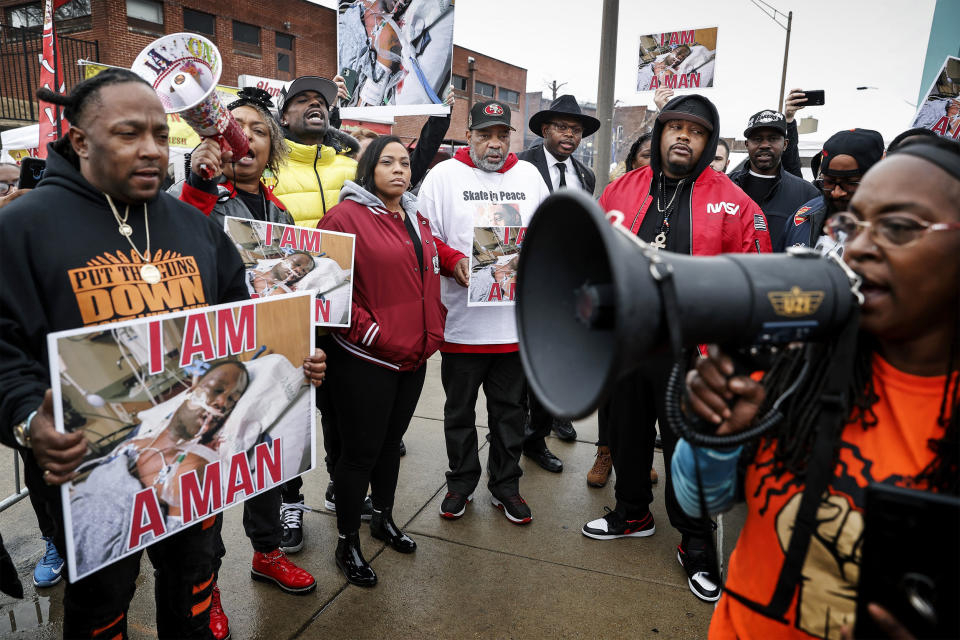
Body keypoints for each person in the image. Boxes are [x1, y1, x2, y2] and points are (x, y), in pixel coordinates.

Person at [0, 68, 322, 639]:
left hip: (198, 474)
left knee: (194, 576)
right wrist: (28, 419)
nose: (152, 150)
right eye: (128, 134)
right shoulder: (22, 228)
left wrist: (293, 357)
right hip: (86, 472)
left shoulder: (193, 228)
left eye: (159, 133)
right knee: (103, 599)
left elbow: (238, 321)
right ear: (80, 140)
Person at [677, 137, 960, 639]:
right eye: (853, 225)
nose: (863, 246)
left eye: (898, 227)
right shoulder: (796, 355)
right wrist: (714, 435)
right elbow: (699, 500)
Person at [582, 94, 771, 603]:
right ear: (660, 132)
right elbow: (593, 260)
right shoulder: (621, 190)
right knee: (627, 434)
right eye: (675, 127)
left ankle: (696, 543)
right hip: (630, 343)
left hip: (693, 353)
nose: (684, 137)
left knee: (688, 449)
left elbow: (755, 285)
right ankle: (632, 513)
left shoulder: (735, 203)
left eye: (697, 131)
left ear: (709, 142)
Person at [170, 88, 317, 639]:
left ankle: (266, 552)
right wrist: (201, 184)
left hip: (266, 358)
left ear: (271, 145)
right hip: (209, 364)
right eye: (238, 127)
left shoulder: (279, 213)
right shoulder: (197, 196)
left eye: (258, 130)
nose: (246, 137)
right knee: (207, 478)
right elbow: (172, 247)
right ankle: (205, 588)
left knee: (264, 465)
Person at [317, 135, 467, 586]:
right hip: (367, 358)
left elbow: (433, 255)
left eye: (404, 162)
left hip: (414, 354)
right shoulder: (345, 216)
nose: (399, 169)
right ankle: (347, 541)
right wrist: (371, 331)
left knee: (390, 446)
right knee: (358, 454)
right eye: (387, 162)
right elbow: (328, 286)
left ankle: (382, 517)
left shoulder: (416, 215)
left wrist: (454, 262)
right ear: (369, 169)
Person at [419, 99, 551, 524]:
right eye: (485, 135)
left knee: (510, 413)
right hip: (460, 325)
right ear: (470, 136)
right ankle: (460, 482)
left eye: (502, 135)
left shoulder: (529, 176)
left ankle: (506, 485)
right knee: (458, 413)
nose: (494, 145)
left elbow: (549, 232)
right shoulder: (443, 176)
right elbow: (425, 235)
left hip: (512, 326)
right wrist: (450, 258)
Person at [70, 361, 249, 576]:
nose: (221, 402)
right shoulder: (135, 439)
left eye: (232, 400)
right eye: (217, 390)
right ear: (192, 389)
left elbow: (183, 562)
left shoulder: (193, 465)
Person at [515, 94, 600, 471]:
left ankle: (538, 438)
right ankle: (511, 436)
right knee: (518, 369)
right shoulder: (520, 166)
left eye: (576, 130)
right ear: (545, 129)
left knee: (555, 357)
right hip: (526, 277)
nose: (569, 135)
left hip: (568, 283)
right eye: (563, 127)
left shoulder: (585, 175)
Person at [171, 88, 293, 228]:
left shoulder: (282, 214)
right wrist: (199, 192)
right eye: (235, 128)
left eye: (259, 131)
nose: (246, 135)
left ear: (272, 153)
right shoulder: (185, 191)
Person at [272, 76, 359, 227]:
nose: (315, 102)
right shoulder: (267, 170)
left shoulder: (356, 169)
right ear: (284, 118)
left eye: (321, 101)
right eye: (302, 100)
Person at [781, 129, 884, 251]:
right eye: (829, 182)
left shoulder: (900, 230)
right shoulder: (803, 217)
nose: (836, 193)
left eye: (850, 183)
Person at [729, 110, 819, 250]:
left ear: (785, 144)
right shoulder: (725, 186)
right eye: (757, 139)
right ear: (747, 144)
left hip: (780, 271)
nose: (765, 145)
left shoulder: (807, 194)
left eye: (773, 138)